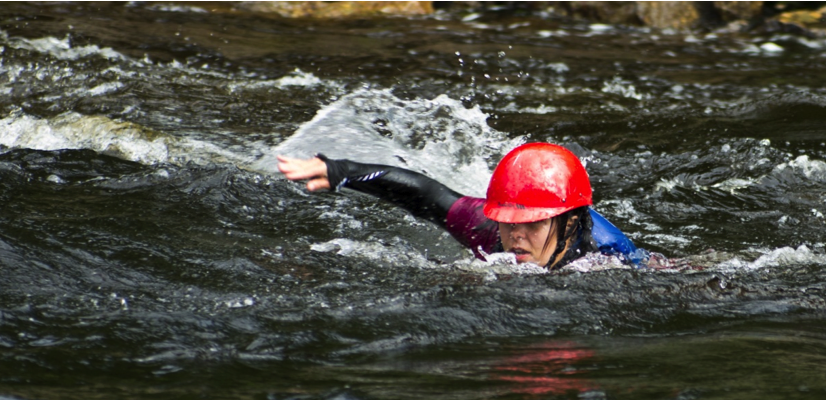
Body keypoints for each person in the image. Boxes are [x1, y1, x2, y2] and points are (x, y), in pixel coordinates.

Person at [277, 143, 646, 270]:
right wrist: (343, 171)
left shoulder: (611, 256)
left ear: (566, 224)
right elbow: (426, 195)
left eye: (531, 224)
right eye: (508, 222)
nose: (515, 236)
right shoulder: (487, 228)